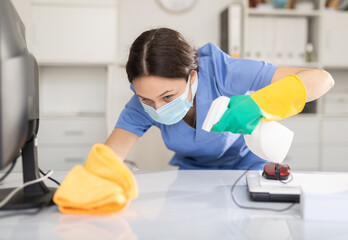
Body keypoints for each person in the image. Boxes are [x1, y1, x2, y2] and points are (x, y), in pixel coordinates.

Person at [105, 27, 334, 170]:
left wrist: (259, 104)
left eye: (168, 96)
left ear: (192, 77)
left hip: (248, 167)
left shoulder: (223, 72)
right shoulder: (141, 103)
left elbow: (322, 79)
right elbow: (108, 160)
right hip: (193, 175)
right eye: (146, 99)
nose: (157, 107)